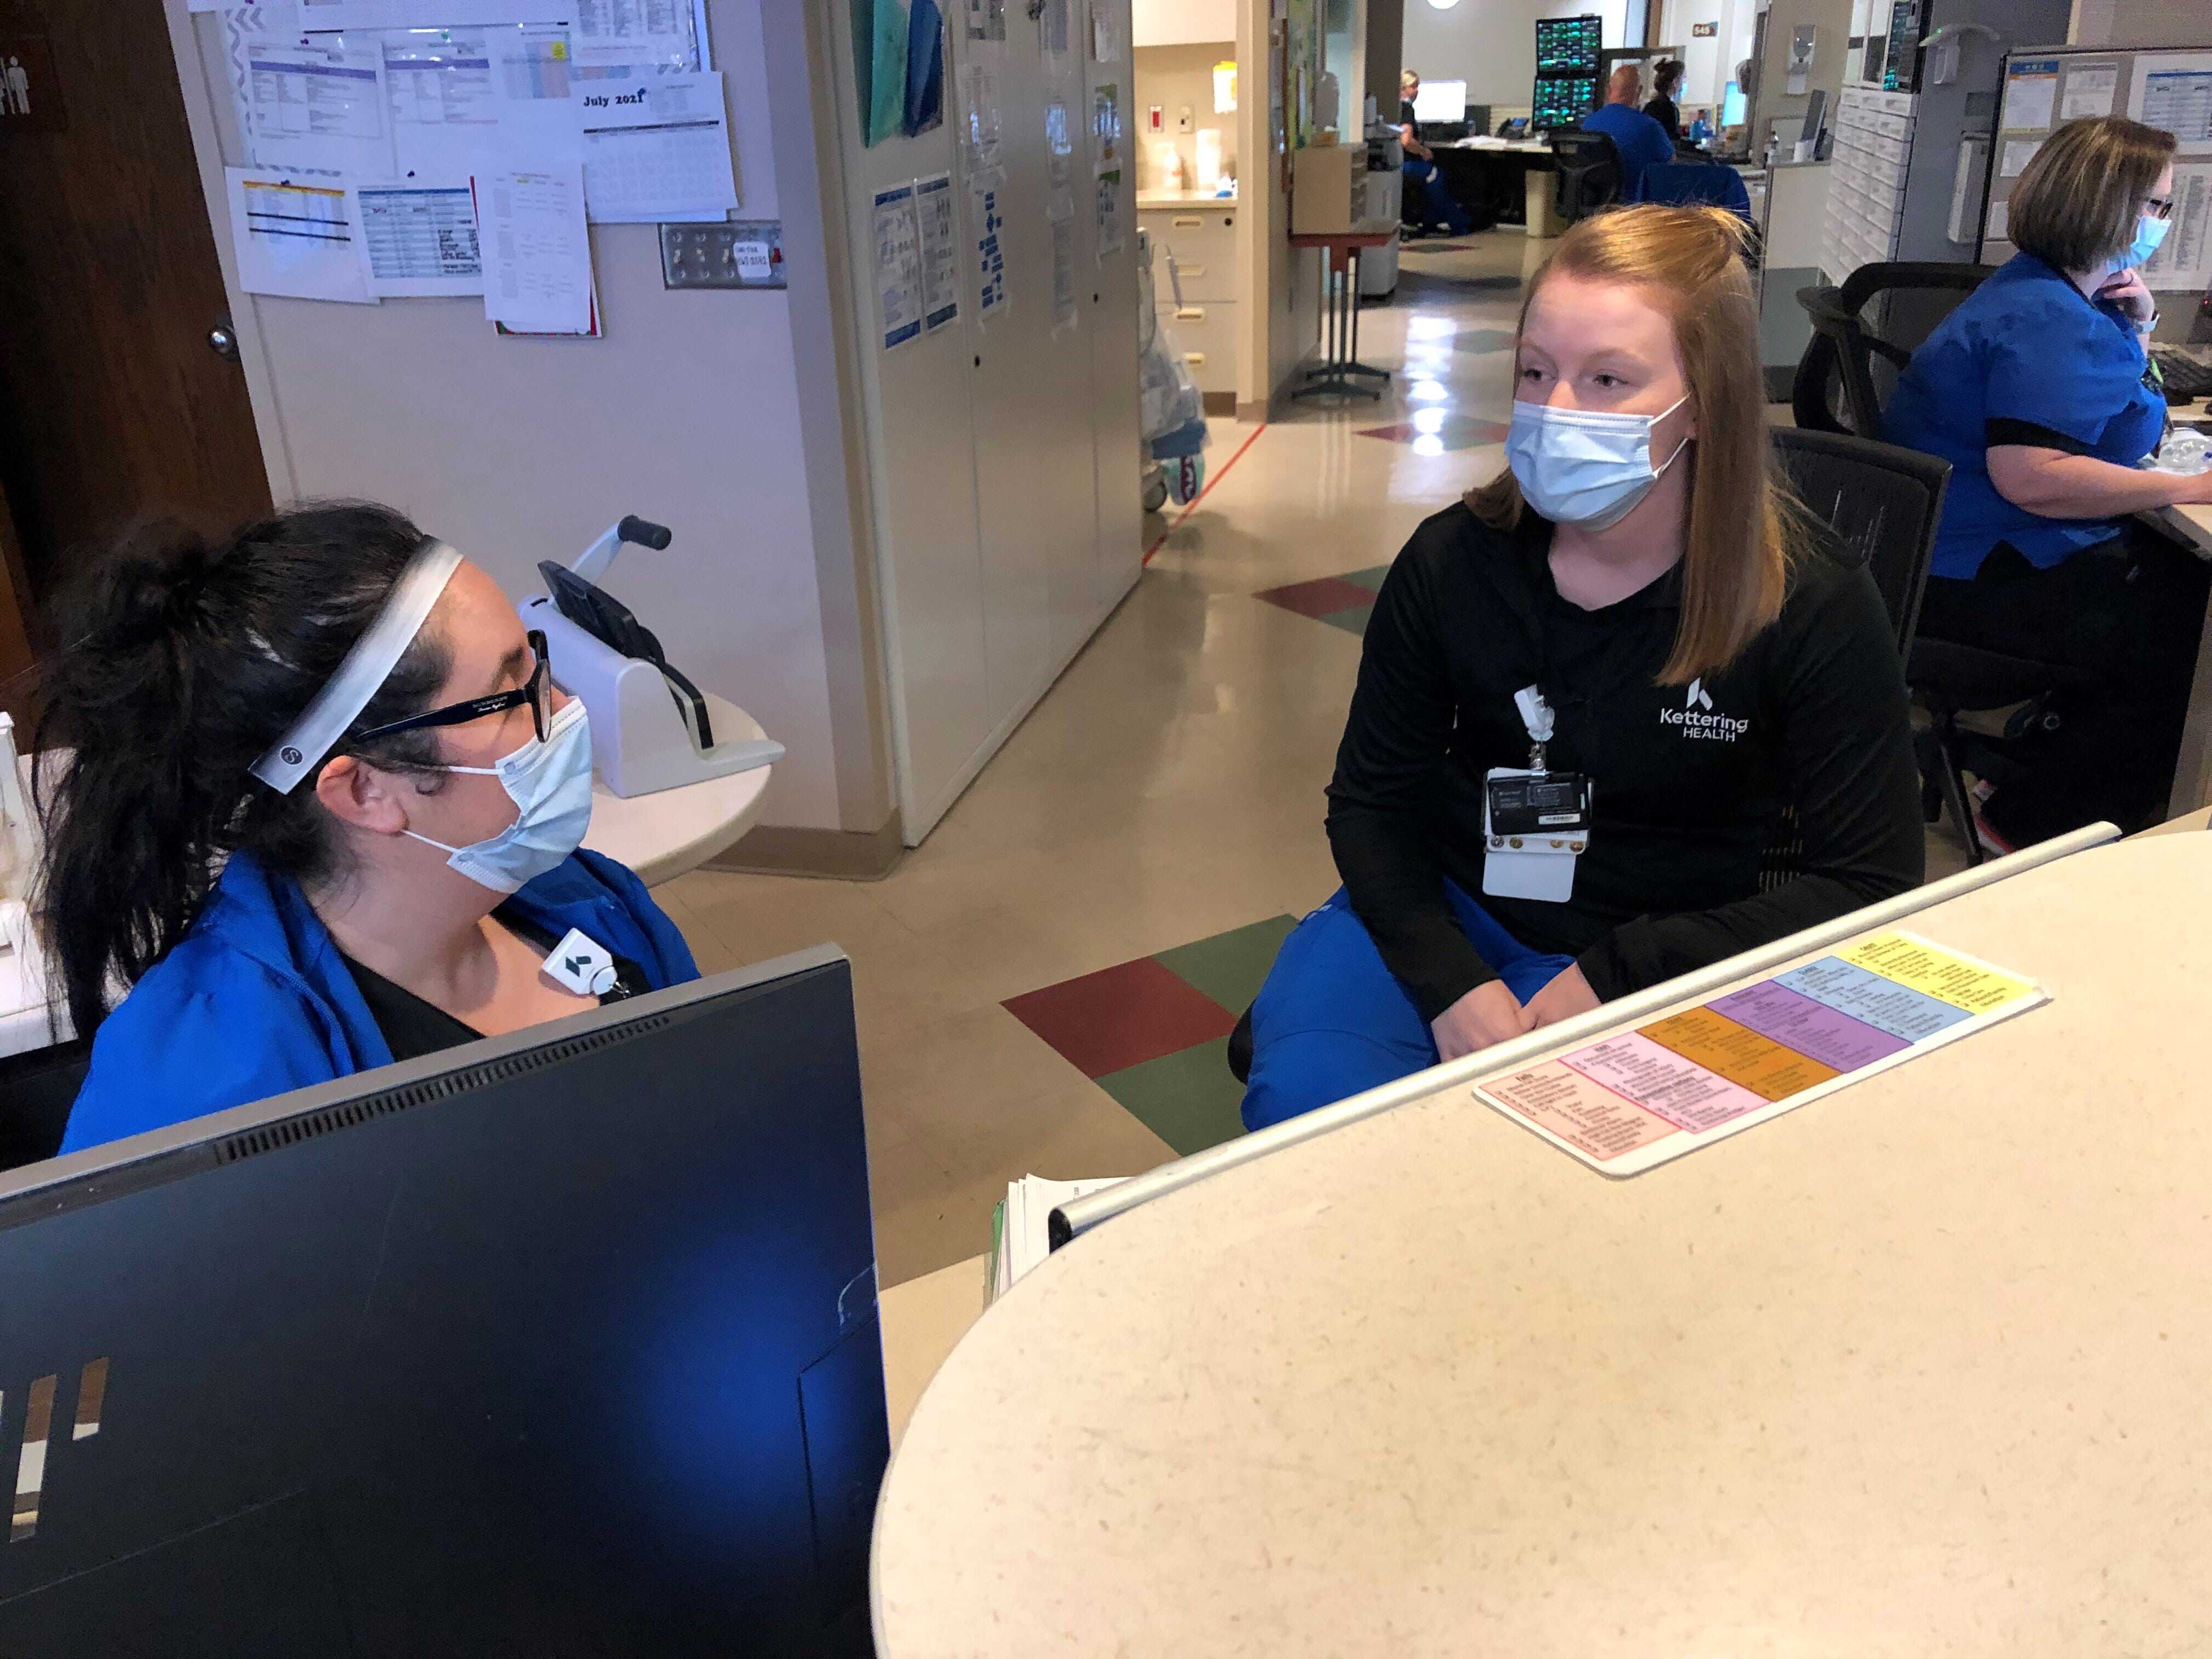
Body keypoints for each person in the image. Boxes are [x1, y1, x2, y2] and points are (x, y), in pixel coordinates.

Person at [1240, 206, 1923, 1130]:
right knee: (1307, 1114)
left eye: (1607, 379)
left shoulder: (1807, 600)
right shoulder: (1453, 562)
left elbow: (1873, 880)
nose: (1556, 408)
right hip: (1453, 910)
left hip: (1673, 953)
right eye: (1536, 371)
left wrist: (1620, 972)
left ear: (1705, 403)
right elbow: (1371, 800)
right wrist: (1450, 982)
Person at [35, 503, 699, 1154]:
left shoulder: (589, 897)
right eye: (512, 696)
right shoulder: (202, 1088)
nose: (566, 705)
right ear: (365, 790)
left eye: (537, 665)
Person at [1885, 115, 2212, 850]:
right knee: (2188, 634)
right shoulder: (2049, 318)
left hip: (1951, 557)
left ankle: (2043, 767)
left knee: (2175, 577)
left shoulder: (2056, 296)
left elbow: (2126, 424)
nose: (2162, 221)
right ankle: (2038, 817)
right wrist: (2187, 490)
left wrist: (2142, 325)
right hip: (1974, 577)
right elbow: (2032, 477)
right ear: (2103, 204)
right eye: (2155, 205)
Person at [1581, 65, 1676, 199]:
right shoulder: (1650, 127)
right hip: (1633, 206)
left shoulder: (1588, 124)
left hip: (1593, 203)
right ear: (1639, 91)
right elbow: (1671, 163)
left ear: (1609, 90)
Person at [1399, 68, 1474, 238]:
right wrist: (1423, 151)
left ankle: (1430, 222)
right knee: (1436, 176)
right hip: (1406, 164)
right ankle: (1459, 223)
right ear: (1403, 89)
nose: (1417, 91)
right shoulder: (1406, 109)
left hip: (1394, 162)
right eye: (1413, 87)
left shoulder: (1392, 108)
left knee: (1434, 175)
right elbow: (1406, 141)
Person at [1643, 58, 1685, 142]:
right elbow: (1671, 139)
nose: (1684, 82)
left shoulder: (1651, 105)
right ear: (1675, 81)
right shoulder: (1669, 109)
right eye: (1684, 78)